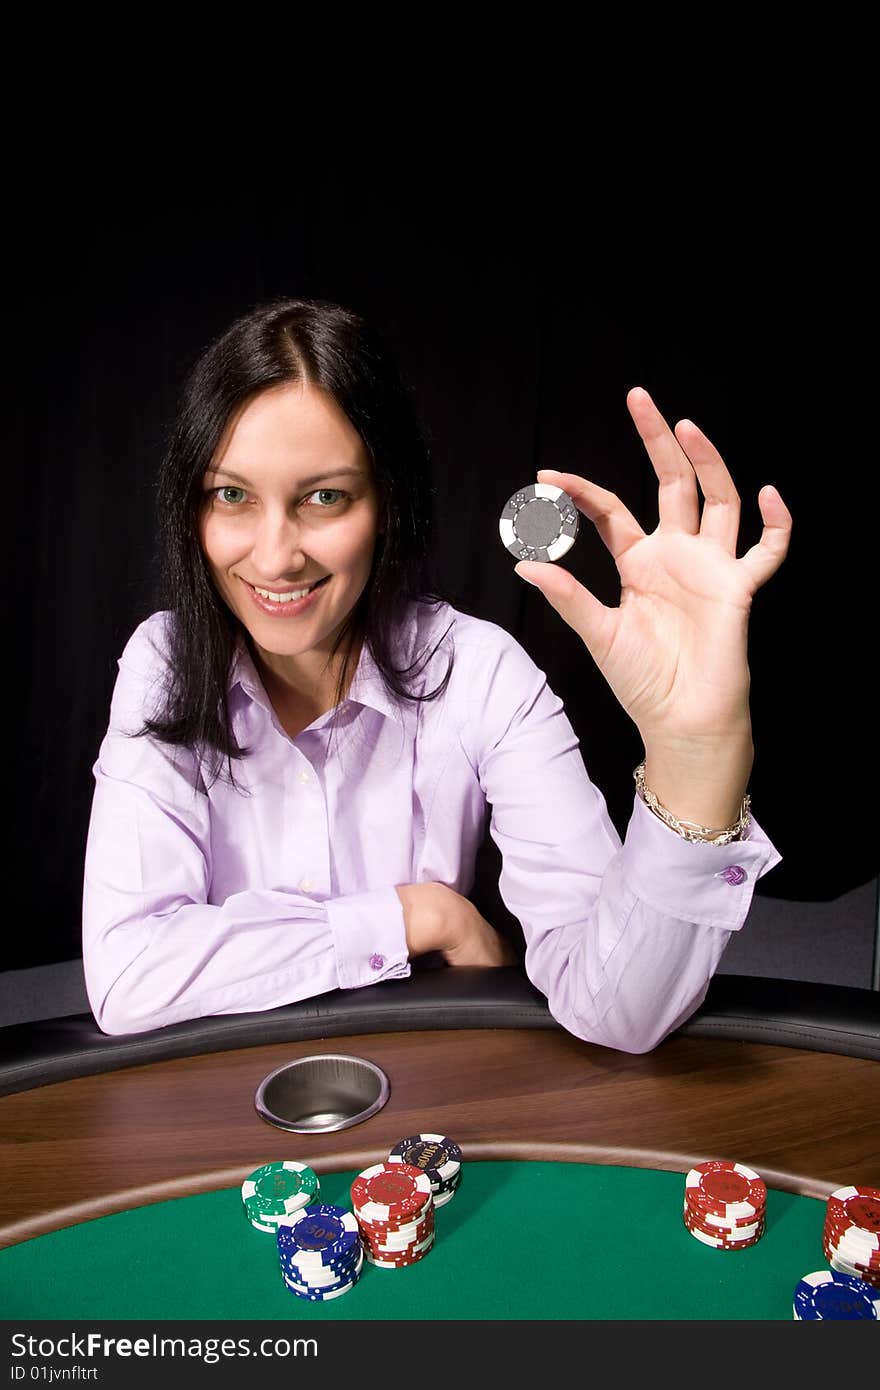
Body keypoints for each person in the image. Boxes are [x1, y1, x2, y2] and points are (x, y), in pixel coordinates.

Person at [82, 297, 792, 1048]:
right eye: (232, 496)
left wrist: (697, 758)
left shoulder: (480, 673)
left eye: (325, 497)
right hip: (218, 1103)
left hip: (428, 1095)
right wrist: (417, 915)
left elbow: (616, 1011)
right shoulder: (162, 663)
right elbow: (130, 978)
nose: (274, 554)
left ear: (388, 503)